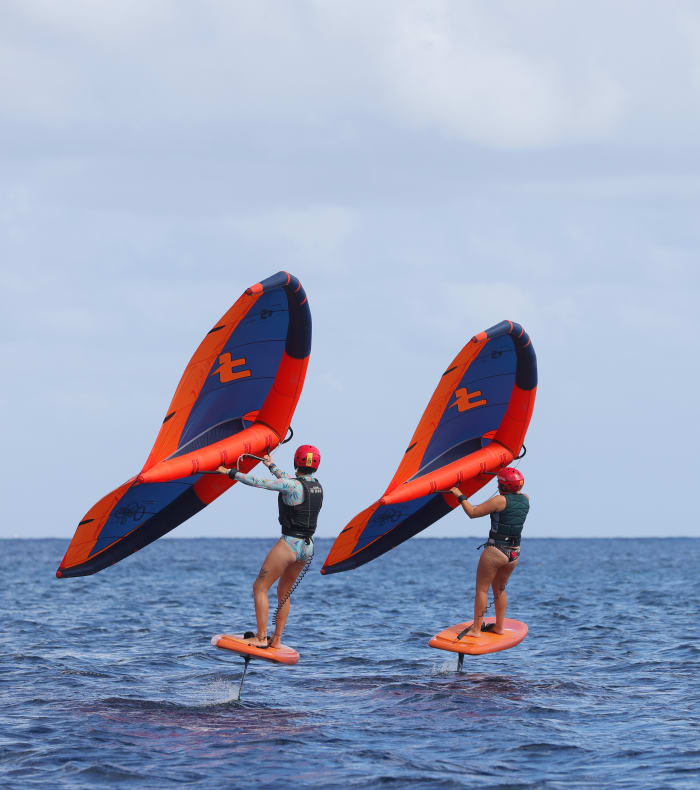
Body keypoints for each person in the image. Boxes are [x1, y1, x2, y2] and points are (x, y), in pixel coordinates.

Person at [217, 445, 323, 649]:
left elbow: (258, 482)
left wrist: (230, 472)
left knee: (260, 587)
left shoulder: (291, 485)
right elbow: (290, 482)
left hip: (290, 545)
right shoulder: (317, 486)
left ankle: (261, 636)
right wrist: (271, 465)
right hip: (307, 548)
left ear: (296, 462)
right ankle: (277, 640)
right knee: (284, 592)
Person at [450, 467, 529, 638]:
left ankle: (476, 629)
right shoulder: (526, 499)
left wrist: (459, 494)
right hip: (514, 553)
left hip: (496, 550)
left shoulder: (500, 500)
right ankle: (499, 627)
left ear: (502, 485)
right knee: (499, 589)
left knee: (482, 590)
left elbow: (472, 512)